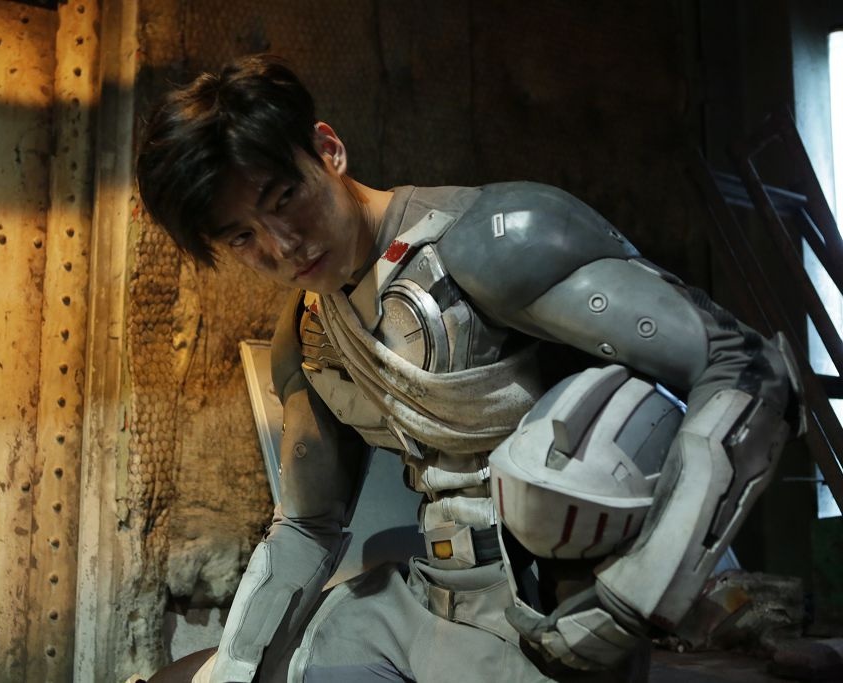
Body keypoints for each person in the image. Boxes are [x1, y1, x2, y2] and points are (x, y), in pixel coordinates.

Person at [135, 54, 803, 683]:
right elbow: (308, 525)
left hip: (550, 612)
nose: (282, 245)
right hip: (424, 599)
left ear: (328, 150)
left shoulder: (493, 238)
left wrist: (635, 596)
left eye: (284, 198)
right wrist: (235, 669)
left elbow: (745, 367)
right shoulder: (312, 329)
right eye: (242, 236)